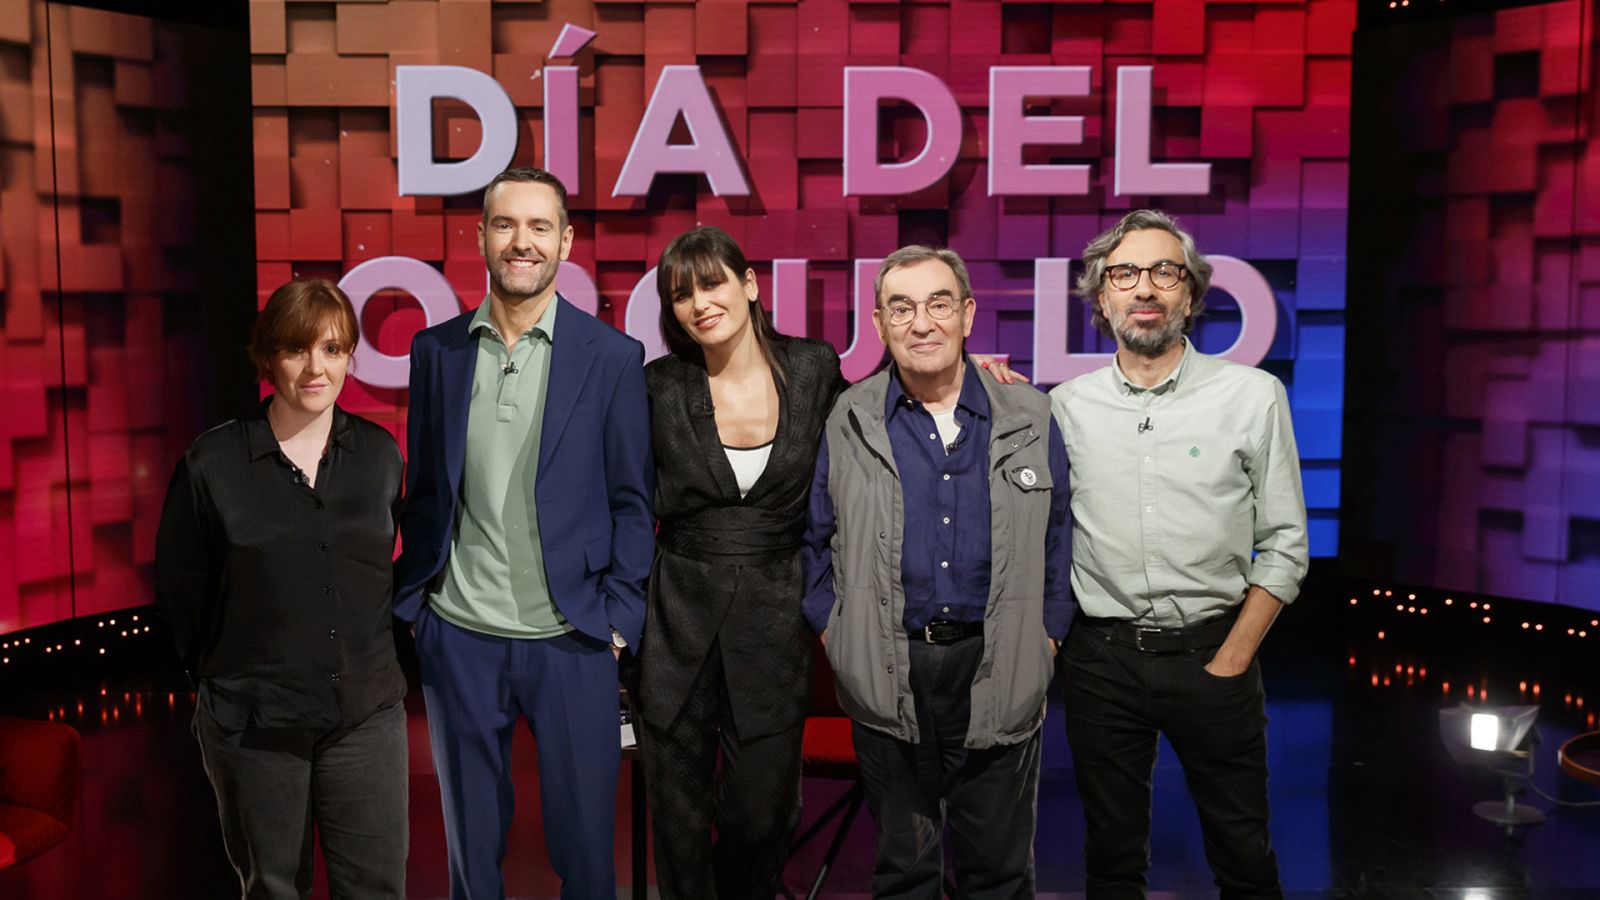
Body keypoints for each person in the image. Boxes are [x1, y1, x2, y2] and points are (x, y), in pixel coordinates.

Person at [392, 167, 654, 900]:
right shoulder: (435, 351)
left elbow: (635, 502)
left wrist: (618, 620)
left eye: (540, 227)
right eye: (506, 224)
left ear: (565, 242)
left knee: (588, 860)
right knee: (473, 862)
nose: (522, 242)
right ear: (480, 237)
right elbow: (425, 491)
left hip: (572, 640)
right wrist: (421, 606)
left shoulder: (611, 358)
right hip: (460, 637)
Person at [1049, 209, 1309, 899]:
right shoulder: (1064, 408)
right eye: (1125, 273)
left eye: (1165, 271)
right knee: (1110, 861)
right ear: (1101, 297)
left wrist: (1235, 655)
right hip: (1102, 662)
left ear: (1189, 296)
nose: (1145, 288)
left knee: (1244, 856)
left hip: (1215, 655)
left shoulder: (1253, 397)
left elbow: (1285, 544)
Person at [801, 245, 1072, 899]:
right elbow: (816, 541)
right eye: (902, 307)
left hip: (1000, 663)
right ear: (879, 324)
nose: (921, 322)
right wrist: (838, 637)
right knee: (903, 874)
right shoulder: (849, 419)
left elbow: (1060, 536)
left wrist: (1047, 637)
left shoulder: (1030, 416)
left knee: (999, 878)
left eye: (938, 303)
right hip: (888, 668)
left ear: (968, 314)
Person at [155, 278, 408, 899]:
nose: (316, 368)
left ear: (350, 355)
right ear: (268, 357)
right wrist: (222, 681)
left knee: (376, 890)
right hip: (255, 720)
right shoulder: (212, 463)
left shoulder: (379, 454)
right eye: (298, 350)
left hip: (366, 716)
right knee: (271, 888)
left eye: (332, 349)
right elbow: (182, 589)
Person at [630, 225, 843, 899]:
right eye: (681, 294)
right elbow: (624, 501)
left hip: (776, 619)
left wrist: (961, 372)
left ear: (750, 285)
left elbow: (876, 420)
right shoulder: (658, 386)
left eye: (712, 282)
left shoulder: (812, 368)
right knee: (679, 819)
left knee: (761, 814)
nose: (699, 303)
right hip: (674, 623)